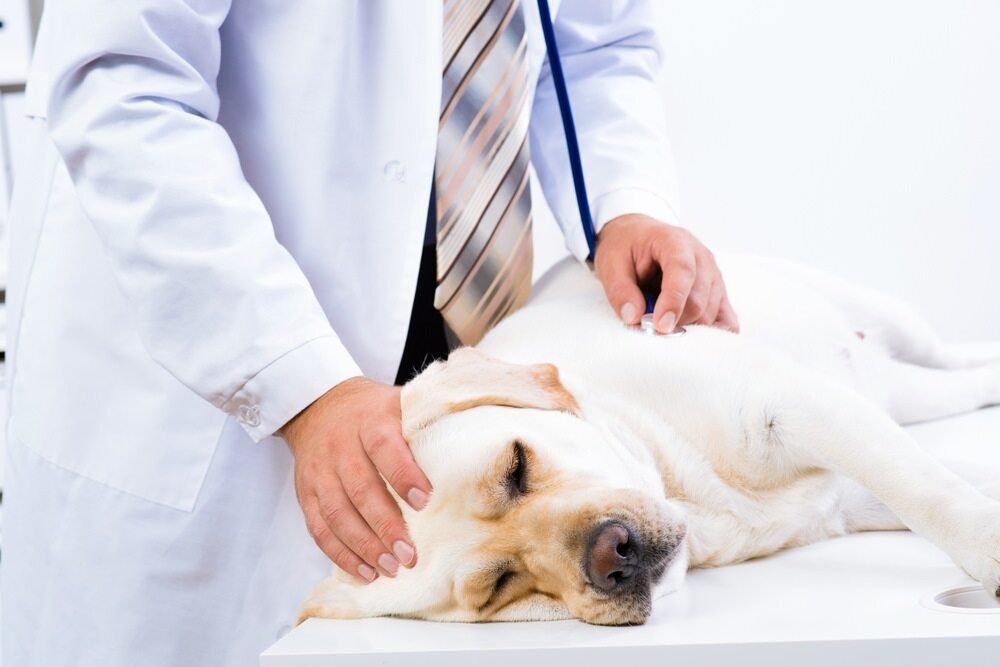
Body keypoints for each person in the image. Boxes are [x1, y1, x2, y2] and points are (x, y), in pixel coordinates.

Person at [3, 1, 737, 664]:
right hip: (214, 349)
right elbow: (122, 80)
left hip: (467, 333)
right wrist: (297, 379)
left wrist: (624, 202)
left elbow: (590, 35)